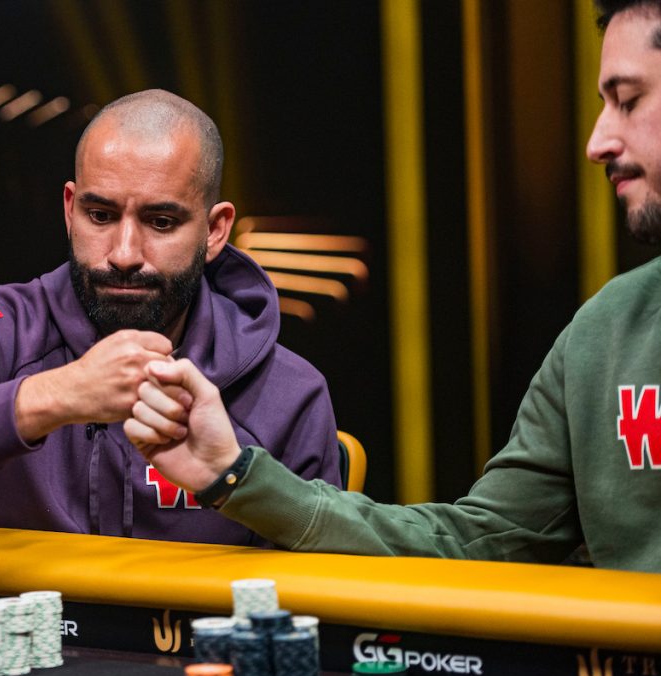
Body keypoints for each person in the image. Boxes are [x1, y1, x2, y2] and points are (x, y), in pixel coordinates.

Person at [122, 0, 661, 573]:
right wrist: (233, 475)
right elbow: (477, 542)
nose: (598, 142)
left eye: (628, 101)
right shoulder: (606, 332)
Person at [0, 89, 341, 545]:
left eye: (161, 222)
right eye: (100, 215)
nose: (124, 253)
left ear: (214, 231)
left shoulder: (288, 392)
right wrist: (56, 396)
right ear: (70, 209)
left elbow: (319, 596)